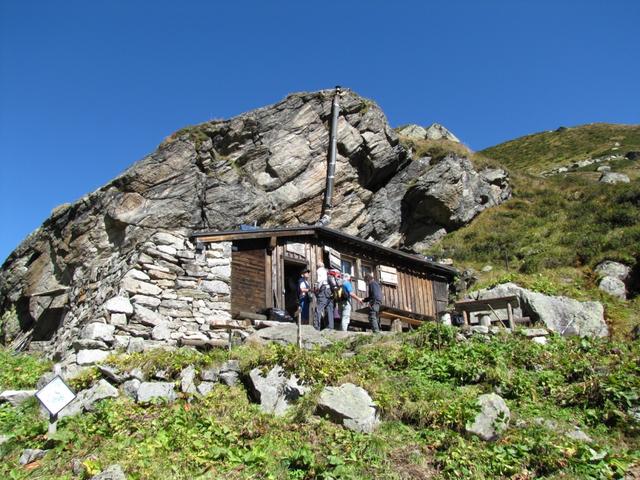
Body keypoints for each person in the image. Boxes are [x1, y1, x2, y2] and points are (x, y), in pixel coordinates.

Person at [314, 262, 334, 330]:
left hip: (323, 291)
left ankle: (316, 327)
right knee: (329, 309)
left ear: (318, 266)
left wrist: (317, 290)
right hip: (330, 291)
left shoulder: (319, 271)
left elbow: (320, 282)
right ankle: (330, 327)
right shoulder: (327, 271)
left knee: (318, 309)